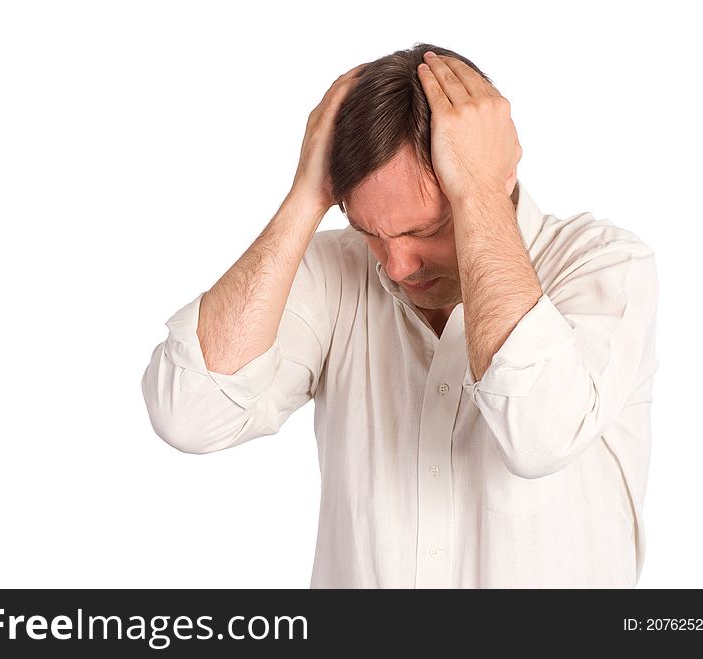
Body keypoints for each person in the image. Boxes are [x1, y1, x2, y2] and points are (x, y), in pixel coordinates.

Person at [141, 42, 658, 588]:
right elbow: (189, 414)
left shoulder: (605, 266)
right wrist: (305, 196)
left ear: (497, 174)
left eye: (424, 230)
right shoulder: (335, 273)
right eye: (371, 233)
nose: (396, 265)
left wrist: (478, 194)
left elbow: (539, 435)